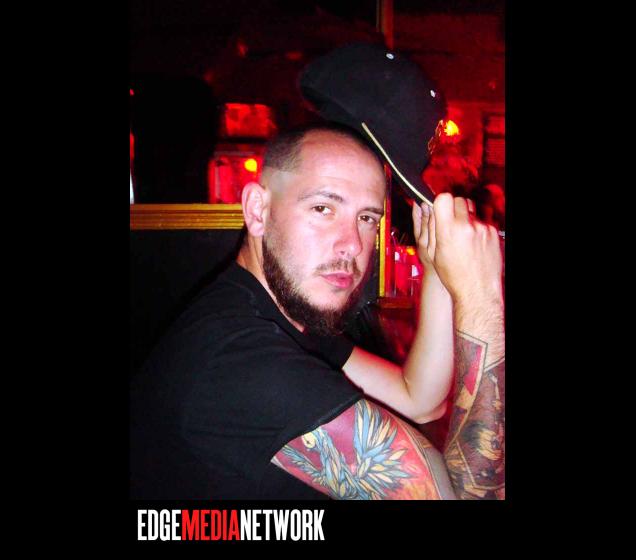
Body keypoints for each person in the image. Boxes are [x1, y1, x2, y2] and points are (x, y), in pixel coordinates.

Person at [130, 123, 505, 500]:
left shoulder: (276, 311)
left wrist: (438, 268)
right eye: (323, 208)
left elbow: (419, 399)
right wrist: (481, 293)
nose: (352, 244)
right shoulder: (242, 362)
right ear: (258, 210)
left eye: (366, 218)